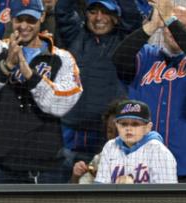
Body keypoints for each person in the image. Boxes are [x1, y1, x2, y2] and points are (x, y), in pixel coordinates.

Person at [0, 0, 83, 183]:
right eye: (20, 19)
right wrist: (6, 66)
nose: (24, 26)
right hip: (0, 165)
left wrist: (30, 76)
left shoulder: (62, 58)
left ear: (42, 17)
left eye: (31, 20)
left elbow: (61, 104)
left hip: (46, 166)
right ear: (11, 18)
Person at [113, 0, 186, 182]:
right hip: (145, 164)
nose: (173, 29)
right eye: (168, 24)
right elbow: (118, 59)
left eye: (181, 25)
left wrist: (170, 19)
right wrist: (152, 25)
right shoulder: (147, 55)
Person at [56, 0, 142, 165]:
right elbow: (63, 10)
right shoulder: (74, 34)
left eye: (105, 12)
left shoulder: (124, 40)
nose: (98, 18)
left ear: (115, 16)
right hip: (71, 131)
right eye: (93, 12)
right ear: (86, 14)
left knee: (105, 186)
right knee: (66, 185)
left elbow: (132, 16)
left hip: (106, 133)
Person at [94, 99, 178, 183]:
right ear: (117, 125)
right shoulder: (110, 147)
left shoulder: (158, 151)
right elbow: (100, 185)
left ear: (147, 127)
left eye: (135, 124)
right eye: (124, 124)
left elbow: (166, 193)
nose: (128, 128)